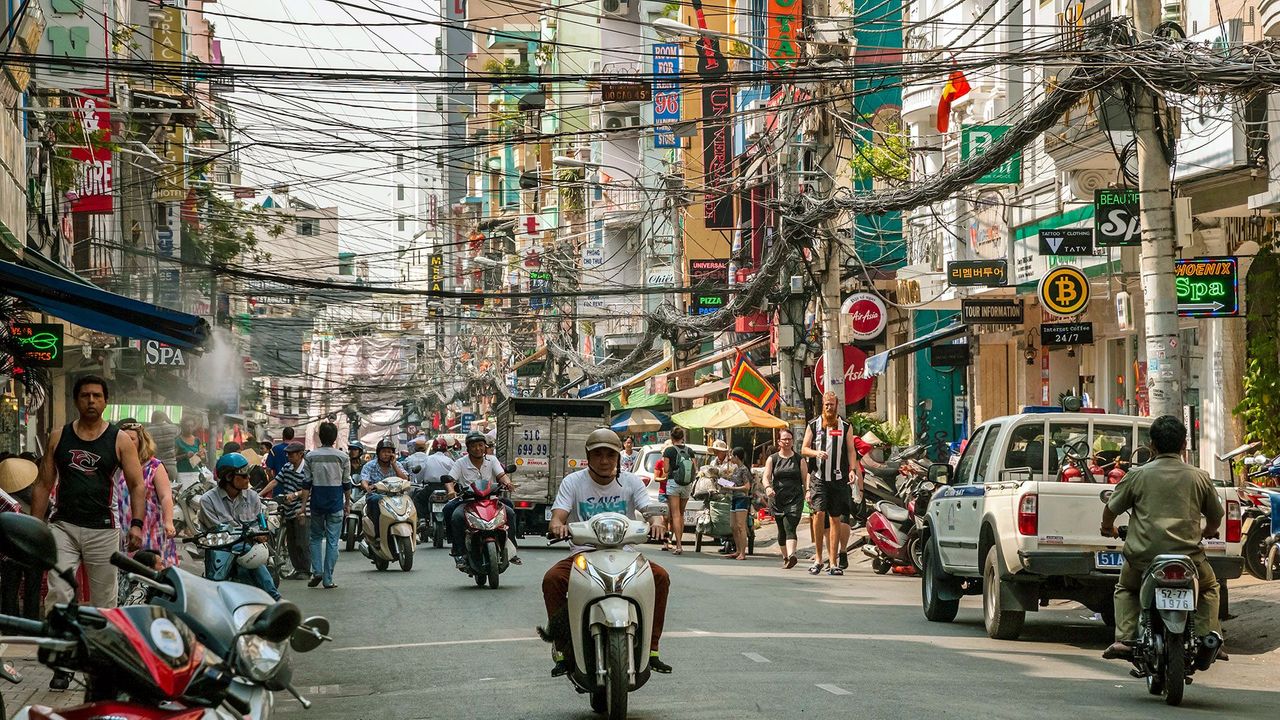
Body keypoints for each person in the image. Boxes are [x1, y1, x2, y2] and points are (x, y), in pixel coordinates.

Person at [542, 428, 671, 676]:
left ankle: (651, 649)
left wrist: (656, 522)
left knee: (660, 577)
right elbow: (558, 516)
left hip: (627, 554)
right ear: (588, 457)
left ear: (618, 458)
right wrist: (558, 526)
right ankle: (563, 650)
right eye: (598, 454)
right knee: (553, 579)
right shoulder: (573, 481)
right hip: (584, 554)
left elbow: (649, 509)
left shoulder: (632, 482)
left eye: (610, 455)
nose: (604, 461)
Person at [1101, 415, 1225, 661]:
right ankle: (1208, 637)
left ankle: (1125, 639)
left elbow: (1111, 510)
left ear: (1152, 446)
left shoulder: (1137, 475)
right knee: (1209, 588)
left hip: (1144, 559)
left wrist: (1107, 528)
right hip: (1189, 558)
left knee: (1125, 588)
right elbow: (1215, 516)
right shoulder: (1199, 476)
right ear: (1183, 445)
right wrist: (1208, 531)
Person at [31, 376, 146, 624]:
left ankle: (100, 649)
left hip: (103, 529)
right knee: (59, 591)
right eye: (85, 396)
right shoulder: (58, 436)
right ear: (76, 401)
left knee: (104, 600)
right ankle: (60, 644)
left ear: (105, 402)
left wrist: (137, 523)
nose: (91, 400)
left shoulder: (120, 440)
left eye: (97, 396)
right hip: (63, 526)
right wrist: (35, 526)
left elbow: (137, 485)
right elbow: (43, 484)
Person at [198, 453, 281, 601]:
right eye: (243, 476)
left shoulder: (253, 497)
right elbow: (218, 530)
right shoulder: (208, 500)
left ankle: (273, 598)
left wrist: (262, 531)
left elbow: (260, 521)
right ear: (229, 477)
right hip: (221, 550)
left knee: (251, 553)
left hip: (249, 548)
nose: (248, 479)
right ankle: (275, 597)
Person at [800, 390, 864, 576]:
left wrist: (852, 470)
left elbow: (851, 451)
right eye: (826, 404)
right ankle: (819, 558)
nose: (829, 407)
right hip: (819, 478)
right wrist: (816, 453)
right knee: (819, 514)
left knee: (835, 518)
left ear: (837, 405)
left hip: (838, 478)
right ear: (823, 406)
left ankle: (834, 562)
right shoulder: (813, 425)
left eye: (832, 404)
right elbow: (804, 448)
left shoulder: (846, 425)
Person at [444, 432, 517, 567]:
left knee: (510, 512)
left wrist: (508, 483)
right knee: (454, 515)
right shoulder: (460, 463)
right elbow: (450, 480)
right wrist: (451, 491)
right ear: (468, 448)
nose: (477, 448)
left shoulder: (492, 460)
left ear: (485, 446)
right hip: (468, 501)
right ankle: (459, 551)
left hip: (491, 500)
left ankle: (511, 549)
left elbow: (501, 475)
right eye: (474, 446)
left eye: (480, 445)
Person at [112, 420, 178, 569]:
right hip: (122, 528)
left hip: (150, 530)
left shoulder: (154, 466)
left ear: (141, 441)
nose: (127, 443)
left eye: (132, 439)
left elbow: (166, 496)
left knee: (152, 573)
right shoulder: (114, 466)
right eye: (124, 439)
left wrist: (169, 521)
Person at [304, 422, 350, 589]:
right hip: (336, 502)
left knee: (315, 538)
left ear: (319, 436)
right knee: (332, 541)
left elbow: (306, 484)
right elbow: (346, 483)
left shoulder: (310, 456)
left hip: (317, 502)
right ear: (335, 437)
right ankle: (328, 578)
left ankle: (317, 571)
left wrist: (303, 506)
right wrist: (348, 504)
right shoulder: (343, 457)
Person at [0, 456, 42, 618]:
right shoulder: (34, 494)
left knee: (9, 588)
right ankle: (32, 622)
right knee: (32, 587)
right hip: (33, 545)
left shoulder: (3, 497)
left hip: (9, 550)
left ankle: (10, 624)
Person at [762, 428, 808, 569]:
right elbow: (766, 476)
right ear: (779, 442)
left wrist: (808, 491)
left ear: (793, 441)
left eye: (789, 439)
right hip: (777, 498)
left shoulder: (799, 459)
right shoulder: (773, 458)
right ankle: (786, 557)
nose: (787, 442)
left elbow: (806, 478)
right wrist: (768, 487)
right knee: (781, 530)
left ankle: (792, 555)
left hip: (795, 498)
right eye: (784, 439)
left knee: (790, 526)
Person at [360, 438, 409, 550]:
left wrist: (394, 465)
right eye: (384, 451)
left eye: (389, 451)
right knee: (374, 499)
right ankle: (378, 534)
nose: (387, 454)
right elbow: (364, 480)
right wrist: (367, 487)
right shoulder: (370, 465)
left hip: (395, 496)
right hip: (378, 495)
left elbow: (405, 479)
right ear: (378, 453)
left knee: (409, 500)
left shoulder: (397, 464)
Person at [272, 442, 312, 579]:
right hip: (288, 507)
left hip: (303, 506)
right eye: (287, 454)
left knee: (302, 540)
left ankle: (305, 570)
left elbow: (309, 488)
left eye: (291, 454)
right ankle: (297, 568)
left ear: (300, 454)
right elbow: (275, 481)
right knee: (292, 541)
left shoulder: (307, 469)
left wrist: (295, 495)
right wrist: (259, 495)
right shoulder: (287, 467)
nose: (288, 456)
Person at [662, 427, 696, 555]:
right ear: (683, 437)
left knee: (675, 514)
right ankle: (679, 543)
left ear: (671, 438)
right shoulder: (690, 451)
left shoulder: (669, 450)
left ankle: (679, 545)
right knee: (681, 514)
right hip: (687, 484)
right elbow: (694, 468)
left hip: (673, 483)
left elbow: (665, 470)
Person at [723, 447, 753, 561]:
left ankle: (743, 553)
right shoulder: (736, 469)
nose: (730, 458)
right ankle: (738, 550)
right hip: (734, 498)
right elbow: (734, 484)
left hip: (742, 499)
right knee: (733, 526)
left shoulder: (744, 470)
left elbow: (746, 487)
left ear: (736, 457)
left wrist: (733, 488)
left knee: (740, 526)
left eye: (732, 455)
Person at [147, 411, 180, 487]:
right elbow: (178, 430)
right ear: (164, 418)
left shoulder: (148, 431)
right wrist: (168, 420)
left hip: (155, 467)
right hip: (171, 466)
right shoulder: (172, 428)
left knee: (156, 493)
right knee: (172, 492)